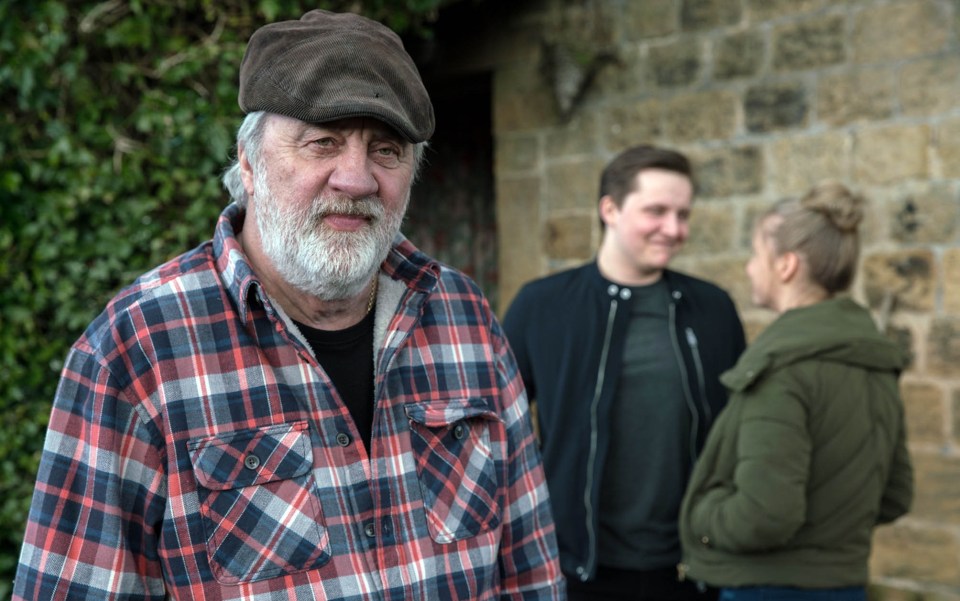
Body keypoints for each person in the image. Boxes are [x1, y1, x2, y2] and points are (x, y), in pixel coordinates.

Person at [13, 10, 563, 601]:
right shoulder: (135, 350)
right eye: (321, 141)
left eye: (386, 150)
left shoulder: (465, 319)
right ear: (249, 163)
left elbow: (530, 571)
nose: (356, 179)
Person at [503, 145, 746, 601]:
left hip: (690, 567)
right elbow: (495, 431)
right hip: (575, 567)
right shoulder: (543, 306)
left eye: (683, 214)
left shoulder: (713, 309)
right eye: (656, 211)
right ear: (609, 209)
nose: (674, 229)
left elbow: (739, 430)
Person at [678, 182, 914, 601]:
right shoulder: (874, 358)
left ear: (786, 265)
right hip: (845, 587)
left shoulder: (781, 368)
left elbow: (764, 516)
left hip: (767, 590)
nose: (751, 268)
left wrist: (699, 518)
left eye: (755, 255)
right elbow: (894, 496)